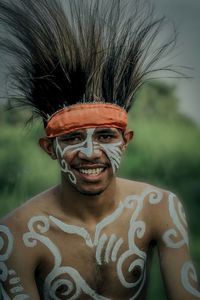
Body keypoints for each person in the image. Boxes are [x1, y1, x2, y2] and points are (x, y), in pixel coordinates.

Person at [0, 0, 199, 299]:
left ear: (126, 140)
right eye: (72, 138)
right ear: (49, 148)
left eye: (106, 136)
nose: (91, 152)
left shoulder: (159, 207)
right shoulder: (16, 234)